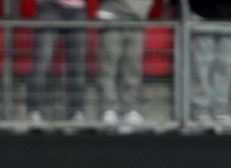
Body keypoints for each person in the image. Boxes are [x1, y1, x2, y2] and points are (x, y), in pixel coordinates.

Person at [27, 0, 88, 124]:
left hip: (77, 8)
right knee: (41, 64)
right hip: (48, 7)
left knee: (77, 66)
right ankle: (33, 113)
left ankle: (76, 113)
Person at [97, 0, 154, 130]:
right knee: (108, 67)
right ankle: (108, 109)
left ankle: (130, 109)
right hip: (112, 18)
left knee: (132, 69)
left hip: (137, 20)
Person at [189, 0, 231, 125]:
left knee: (225, 67)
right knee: (201, 67)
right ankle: (200, 111)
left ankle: (220, 111)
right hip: (202, 15)